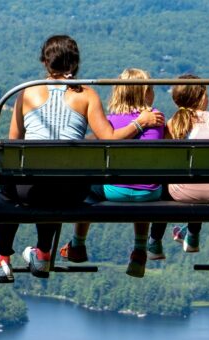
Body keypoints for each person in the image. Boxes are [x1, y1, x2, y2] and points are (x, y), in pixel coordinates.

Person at [0, 35, 164, 283]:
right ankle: (43, 251)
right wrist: (139, 123)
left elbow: (14, 143)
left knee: (10, 181)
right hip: (72, 191)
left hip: (30, 190)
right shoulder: (88, 96)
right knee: (57, 180)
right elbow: (110, 138)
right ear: (76, 63)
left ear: (45, 62)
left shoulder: (25, 93)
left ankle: (3, 259)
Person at [59, 68, 168, 278]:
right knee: (143, 179)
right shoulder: (157, 119)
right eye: (151, 88)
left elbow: (105, 137)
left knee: (86, 186)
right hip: (150, 194)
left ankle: (78, 244)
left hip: (114, 191)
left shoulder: (110, 122)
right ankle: (139, 251)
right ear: (145, 93)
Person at [156, 74, 209, 253]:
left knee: (174, 176)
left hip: (180, 192)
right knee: (205, 170)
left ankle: (154, 241)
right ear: (202, 96)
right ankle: (192, 234)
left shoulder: (172, 123)